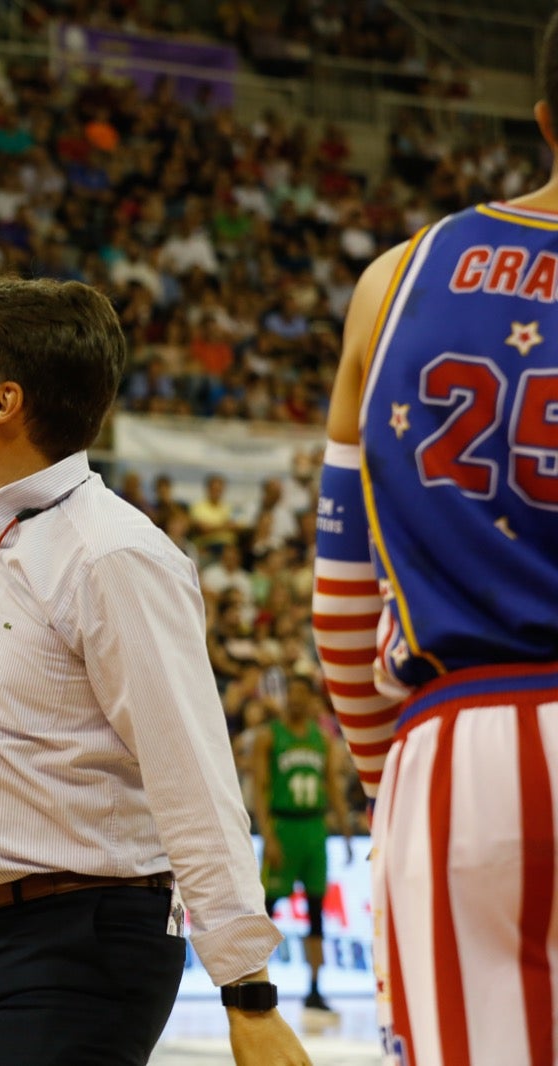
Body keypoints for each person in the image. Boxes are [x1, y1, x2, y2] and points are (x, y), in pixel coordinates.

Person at [0, 277, 308, 1065]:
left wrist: (247, 991)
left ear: (3, 403)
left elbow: (190, 771)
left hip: (77, 943)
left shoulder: (114, 554)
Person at [313, 19, 558, 1064]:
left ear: (544, 119)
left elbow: (341, 600)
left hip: (458, 747)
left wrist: (397, 781)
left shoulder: (396, 278)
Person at [254, 675, 352, 1014]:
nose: (296, 700)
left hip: (315, 829)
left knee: (316, 913)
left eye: (302, 695)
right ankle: (253, 984)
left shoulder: (322, 739)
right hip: (283, 827)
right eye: (291, 694)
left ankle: (314, 989)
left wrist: (346, 830)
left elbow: (333, 787)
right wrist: (268, 836)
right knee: (265, 912)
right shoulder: (269, 737)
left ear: (311, 701)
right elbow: (261, 791)